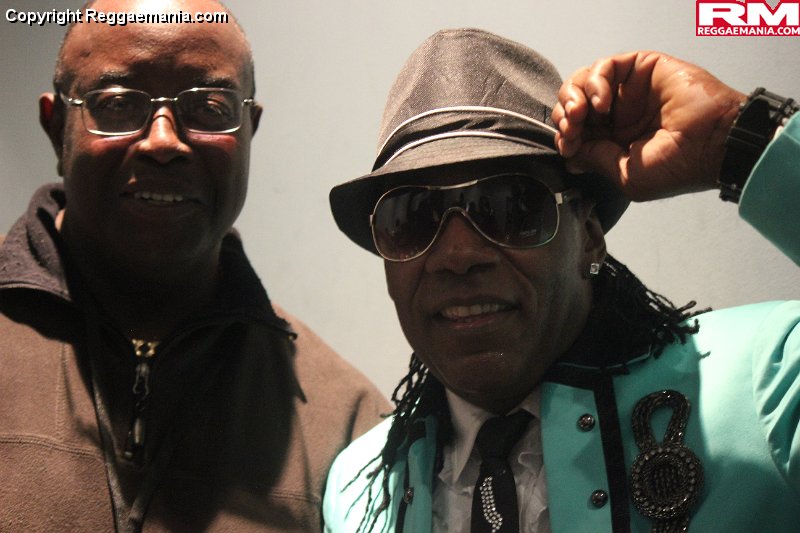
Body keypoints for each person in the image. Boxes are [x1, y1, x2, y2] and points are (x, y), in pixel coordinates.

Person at [322, 28, 800, 532]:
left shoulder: (765, 384)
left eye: (510, 206)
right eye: (411, 218)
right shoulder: (357, 493)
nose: (458, 256)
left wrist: (736, 140)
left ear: (589, 237)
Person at [0, 0, 388, 531]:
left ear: (249, 130)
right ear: (56, 127)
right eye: (118, 104)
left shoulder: (348, 429)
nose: (163, 142)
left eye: (208, 106)